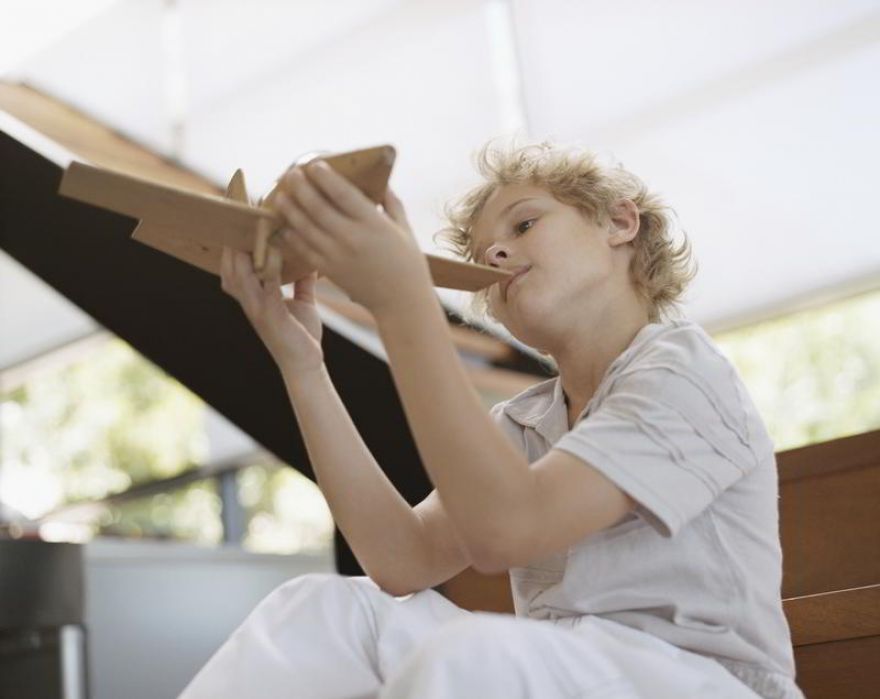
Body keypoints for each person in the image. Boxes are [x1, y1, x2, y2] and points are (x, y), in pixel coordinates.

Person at [178, 141, 805, 699]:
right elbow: (401, 560)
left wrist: (401, 299)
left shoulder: (683, 371)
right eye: (483, 257)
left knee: (472, 656)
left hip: (699, 678)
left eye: (525, 223)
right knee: (319, 609)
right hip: (563, 667)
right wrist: (303, 365)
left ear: (619, 222)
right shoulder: (527, 419)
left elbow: (511, 529)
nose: (498, 251)